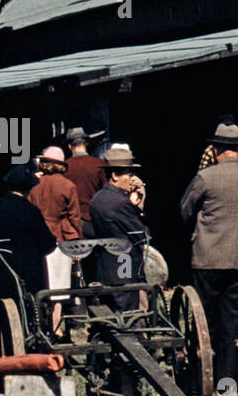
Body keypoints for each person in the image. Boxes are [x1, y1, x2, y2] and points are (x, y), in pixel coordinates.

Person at [179, 124, 238, 381]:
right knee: (232, 322)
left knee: (205, 320)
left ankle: (199, 375)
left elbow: (185, 211)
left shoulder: (206, 178)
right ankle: (227, 379)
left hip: (209, 258)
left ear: (216, 149)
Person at [0, 164, 58, 327]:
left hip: (0, 272)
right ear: (29, 188)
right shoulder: (30, 211)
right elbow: (48, 245)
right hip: (27, 276)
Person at [27, 146, 81, 336]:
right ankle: (56, 323)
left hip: (36, 237)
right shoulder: (68, 186)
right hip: (59, 237)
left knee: (42, 282)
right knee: (59, 284)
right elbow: (74, 218)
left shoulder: (34, 184)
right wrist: (77, 244)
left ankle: (40, 321)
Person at [89, 147, 149, 312]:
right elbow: (142, 236)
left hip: (105, 266)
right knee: (128, 315)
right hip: (124, 266)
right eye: (128, 173)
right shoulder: (120, 203)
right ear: (114, 175)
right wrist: (137, 207)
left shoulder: (97, 198)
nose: (132, 178)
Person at [64, 128, 106, 239]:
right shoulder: (99, 164)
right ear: (86, 143)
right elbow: (106, 191)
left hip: (72, 220)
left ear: (69, 146)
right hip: (95, 218)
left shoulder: (65, 167)